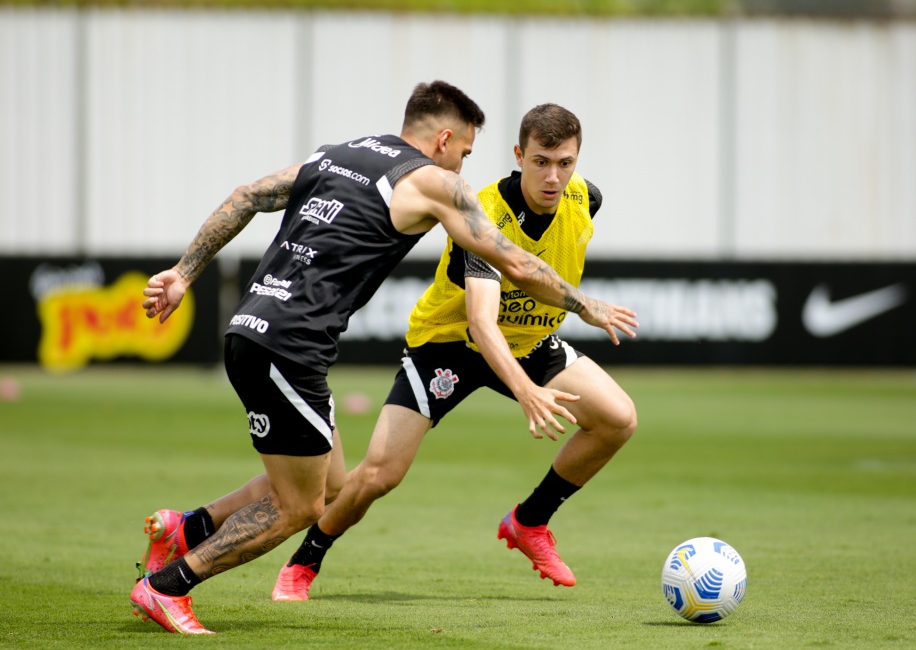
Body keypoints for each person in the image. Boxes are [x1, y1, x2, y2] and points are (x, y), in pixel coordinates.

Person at [131, 84, 638, 634]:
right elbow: (513, 262)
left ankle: (185, 529)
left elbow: (247, 195)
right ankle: (167, 587)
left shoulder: (337, 154)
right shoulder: (435, 182)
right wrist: (583, 303)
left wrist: (183, 273)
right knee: (301, 506)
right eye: (465, 151)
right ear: (445, 138)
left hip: (261, 332)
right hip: (294, 344)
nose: (463, 163)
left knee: (329, 485)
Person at [265, 102, 638, 599]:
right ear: (519, 155)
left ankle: (529, 522)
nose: (553, 176)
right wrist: (525, 391)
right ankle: (305, 559)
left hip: (528, 342)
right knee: (380, 474)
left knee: (618, 418)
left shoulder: (585, 198)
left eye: (564, 163)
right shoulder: (482, 211)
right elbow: (482, 324)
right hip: (450, 346)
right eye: (541, 161)